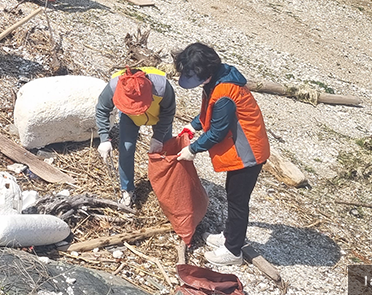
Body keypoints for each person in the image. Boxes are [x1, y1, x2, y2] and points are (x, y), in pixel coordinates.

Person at [174, 42, 270, 266]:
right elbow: (210, 112)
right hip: (244, 150)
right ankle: (229, 236)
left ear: (205, 71)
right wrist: (193, 125)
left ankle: (233, 251)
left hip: (248, 155)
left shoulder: (225, 92)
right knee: (232, 195)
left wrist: (193, 149)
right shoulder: (217, 78)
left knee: (238, 201)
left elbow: (217, 131)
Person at [94, 66, 176, 207]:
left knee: (166, 150)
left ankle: (165, 186)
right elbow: (102, 109)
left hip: (159, 117)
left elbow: (169, 112)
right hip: (129, 118)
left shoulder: (162, 87)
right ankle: (127, 190)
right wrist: (104, 138)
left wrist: (158, 136)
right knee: (126, 149)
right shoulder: (114, 86)